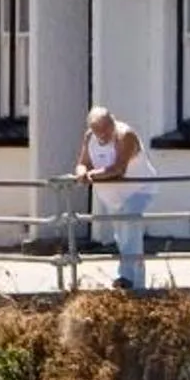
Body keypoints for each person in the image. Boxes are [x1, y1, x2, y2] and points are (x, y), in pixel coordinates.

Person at [74, 106, 156, 291]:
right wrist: (81, 173)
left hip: (139, 189)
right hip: (111, 195)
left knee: (130, 226)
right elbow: (82, 163)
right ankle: (130, 279)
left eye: (106, 128)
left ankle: (130, 279)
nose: (103, 134)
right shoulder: (90, 137)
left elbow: (118, 169)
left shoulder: (125, 135)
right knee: (121, 235)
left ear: (113, 122)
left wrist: (91, 176)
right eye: (98, 130)